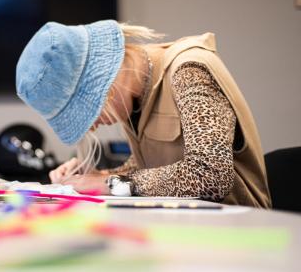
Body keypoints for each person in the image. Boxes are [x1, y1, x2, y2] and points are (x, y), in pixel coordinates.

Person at [15, 20, 271, 208]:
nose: (90, 127)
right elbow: (156, 167)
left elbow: (210, 175)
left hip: (237, 234)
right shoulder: (132, 98)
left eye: (85, 110)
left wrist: (110, 185)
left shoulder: (189, 70)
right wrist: (96, 175)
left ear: (103, 77)